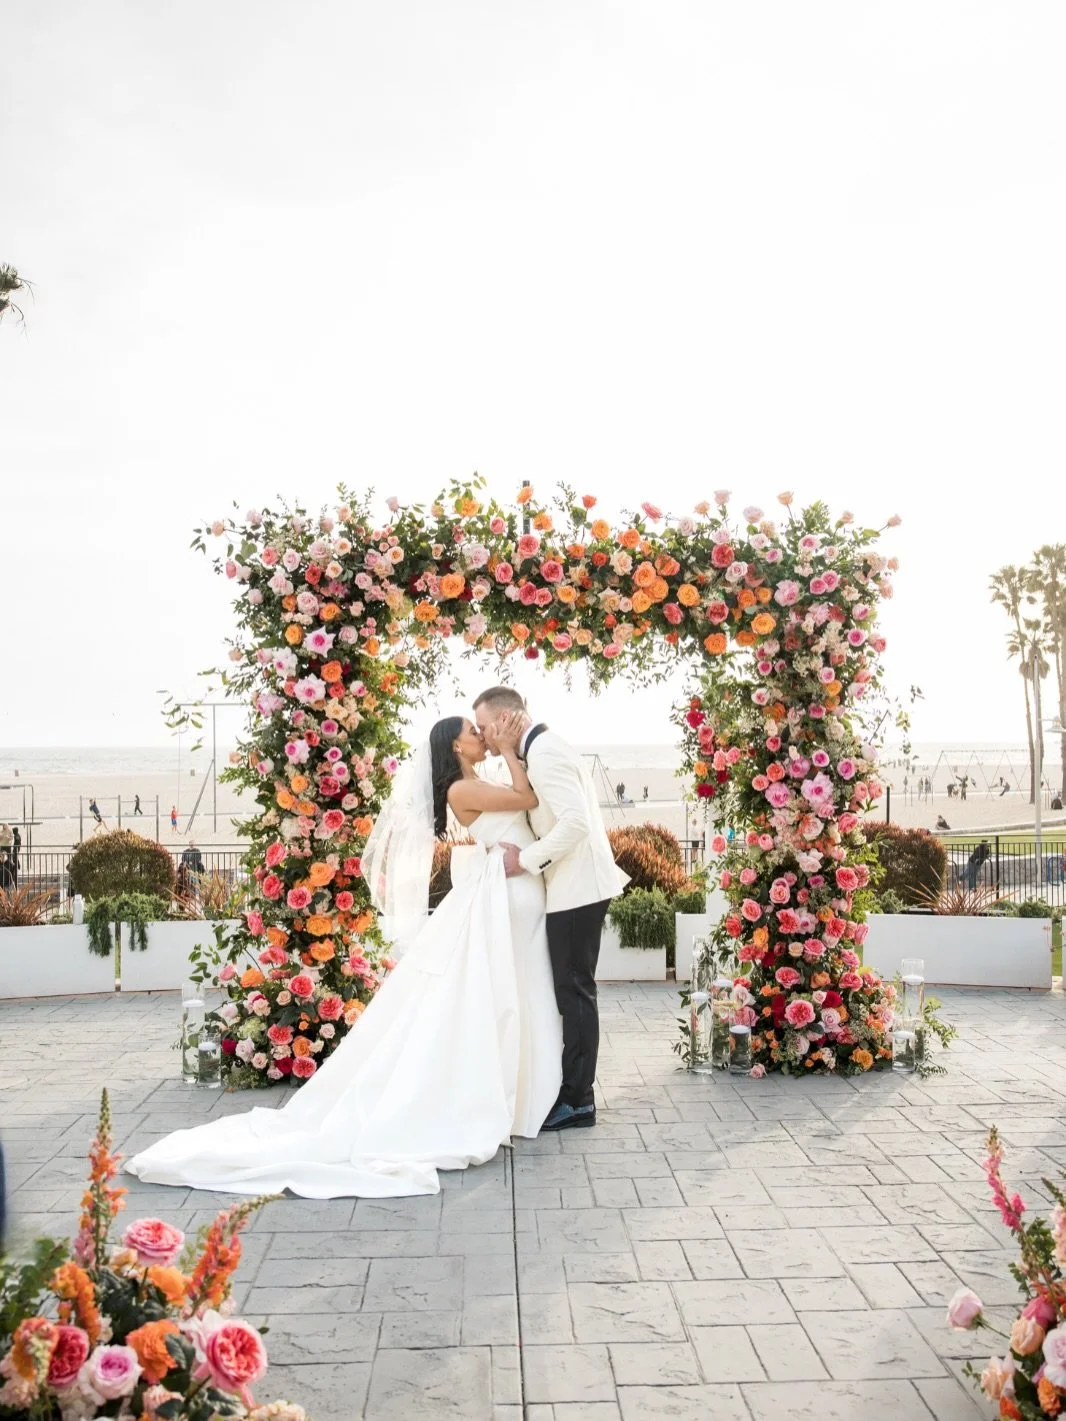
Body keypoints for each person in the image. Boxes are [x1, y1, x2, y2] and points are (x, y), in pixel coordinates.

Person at [126, 707, 566, 1198]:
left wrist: (506, 754)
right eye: (472, 731)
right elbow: (526, 797)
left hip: (502, 886)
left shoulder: (474, 780)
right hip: (497, 891)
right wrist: (508, 748)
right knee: (488, 992)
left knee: (500, 989)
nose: (480, 734)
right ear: (455, 747)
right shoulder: (461, 790)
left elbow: (521, 802)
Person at [475, 685, 629, 1131]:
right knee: (571, 991)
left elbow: (576, 823)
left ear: (505, 719)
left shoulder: (544, 753)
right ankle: (572, 1092)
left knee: (575, 992)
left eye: (486, 727)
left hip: (578, 888)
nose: (483, 737)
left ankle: (579, 1101)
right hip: (569, 888)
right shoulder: (535, 751)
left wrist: (523, 860)